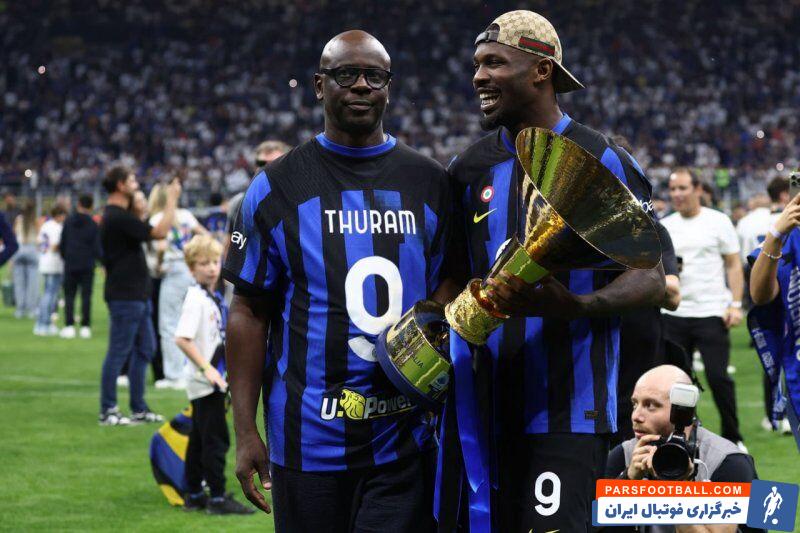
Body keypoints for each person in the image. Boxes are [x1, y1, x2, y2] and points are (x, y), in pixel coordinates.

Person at [440, 10, 665, 532]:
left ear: (541, 70)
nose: (478, 77)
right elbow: (450, 275)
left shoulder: (603, 158)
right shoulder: (467, 169)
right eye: (477, 65)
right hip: (480, 407)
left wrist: (579, 306)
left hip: (569, 411)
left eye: (494, 63)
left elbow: (651, 277)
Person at [224, 31, 449, 532]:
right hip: (307, 444)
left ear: (389, 87)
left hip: (406, 442)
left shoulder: (429, 182)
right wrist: (245, 430)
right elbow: (248, 311)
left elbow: (448, 290)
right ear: (318, 85)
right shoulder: (276, 187)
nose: (362, 85)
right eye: (346, 74)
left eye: (375, 76)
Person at [604, 365, 760, 533]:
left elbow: (763, 522)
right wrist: (628, 481)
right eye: (635, 404)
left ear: (683, 411)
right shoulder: (623, 455)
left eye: (651, 405)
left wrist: (681, 492)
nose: (636, 416)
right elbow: (589, 525)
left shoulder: (730, 461)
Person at [661, 168, 746, 449]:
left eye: (683, 188)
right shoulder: (665, 226)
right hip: (674, 314)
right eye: (673, 189)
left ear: (698, 189)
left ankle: (733, 436)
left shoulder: (718, 221)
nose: (677, 194)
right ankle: (681, 440)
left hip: (711, 311)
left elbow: (733, 264)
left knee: (719, 378)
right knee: (677, 385)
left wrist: (736, 304)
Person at [174, 234, 253, 515]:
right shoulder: (196, 299)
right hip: (206, 383)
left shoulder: (210, 296)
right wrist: (208, 370)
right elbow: (182, 338)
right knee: (216, 441)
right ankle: (217, 498)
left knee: (198, 439)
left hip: (213, 380)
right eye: (203, 263)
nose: (210, 268)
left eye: (214, 262)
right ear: (191, 267)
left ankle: (194, 493)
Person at [98, 164, 180, 425]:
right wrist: (172, 199)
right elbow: (159, 232)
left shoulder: (120, 216)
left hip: (136, 294)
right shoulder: (117, 216)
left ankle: (138, 408)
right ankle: (108, 409)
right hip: (126, 295)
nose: (136, 183)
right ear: (120, 185)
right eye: (132, 180)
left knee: (146, 348)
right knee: (119, 352)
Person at [736, 177, 792, 434]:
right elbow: (759, 294)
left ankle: (775, 415)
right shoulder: (786, 231)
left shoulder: (750, 222)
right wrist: (777, 234)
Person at [149, 184, 208, 390]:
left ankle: (174, 375)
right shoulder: (186, 215)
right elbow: (205, 236)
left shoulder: (157, 219)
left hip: (173, 270)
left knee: (168, 324)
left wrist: (158, 264)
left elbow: (160, 248)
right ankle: (194, 370)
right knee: (192, 322)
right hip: (191, 270)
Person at [59, 194, 102, 339]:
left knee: (69, 296)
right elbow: (97, 247)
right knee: (86, 296)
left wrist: (66, 257)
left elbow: (63, 243)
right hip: (87, 264)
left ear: (78, 204)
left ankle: (69, 325)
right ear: (91, 206)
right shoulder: (93, 224)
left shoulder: (68, 221)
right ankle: (85, 326)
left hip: (70, 263)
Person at [34, 203, 67, 336]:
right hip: (54, 263)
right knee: (51, 295)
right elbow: (54, 246)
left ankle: (41, 323)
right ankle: (45, 323)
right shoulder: (57, 228)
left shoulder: (45, 225)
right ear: (60, 215)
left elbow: (38, 243)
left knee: (46, 293)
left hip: (44, 261)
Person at [12, 200, 39, 319]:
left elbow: (13, 234)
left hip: (19, 249)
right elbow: (39, 236)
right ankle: (32, 309)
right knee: (32, 283)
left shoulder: (18, 219)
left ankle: (20, 309)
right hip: (31, 249)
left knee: (19, 283)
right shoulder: (35, 220)